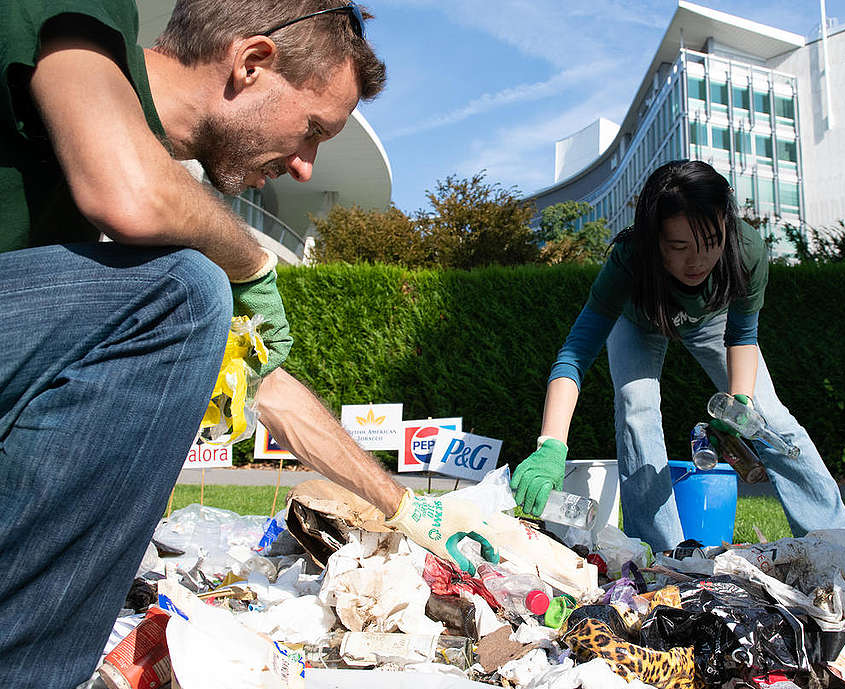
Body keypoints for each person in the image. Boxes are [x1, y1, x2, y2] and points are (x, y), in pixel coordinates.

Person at [0, 1, 494, 684]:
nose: (305, 166)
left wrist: (406, 506)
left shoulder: (123, 228)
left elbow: (270, 390)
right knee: (186, 291)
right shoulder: (80, 17)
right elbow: (133, 191)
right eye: (313, 129)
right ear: (251, 62)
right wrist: (250, 260)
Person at [511, 160, 845, 553]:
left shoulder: (747, 250)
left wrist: (739, 404)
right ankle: (660, 552)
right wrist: (551, 445)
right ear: (653, 239)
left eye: (711, 242)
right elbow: (574, 354)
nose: (698, 261)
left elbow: (742, 335)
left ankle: (837, 543)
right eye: (679, 247)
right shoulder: (628, 260)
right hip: (638, 321)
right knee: (635, 408)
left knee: (769, 417)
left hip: (712, 322)